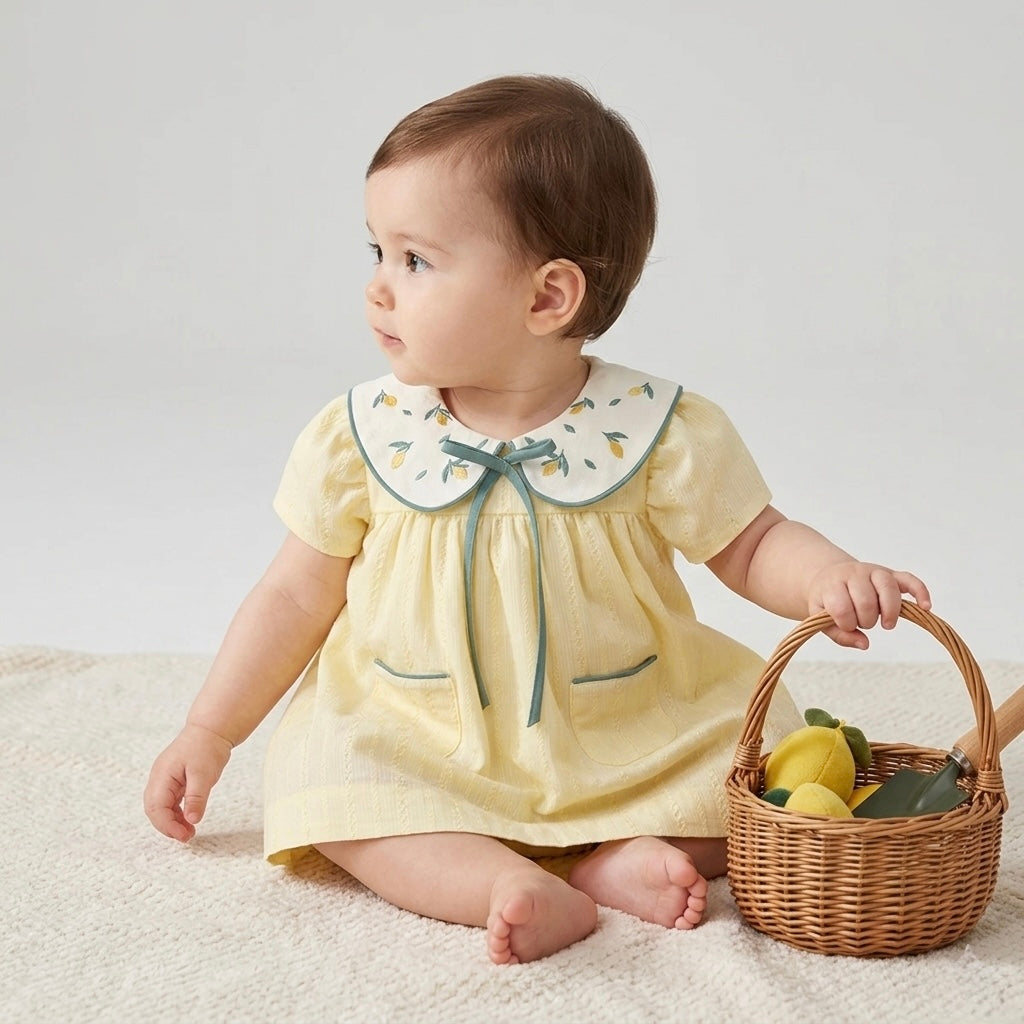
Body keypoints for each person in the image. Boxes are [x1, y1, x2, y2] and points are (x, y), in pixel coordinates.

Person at [144, 75, 931, 965]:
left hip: (621, 721)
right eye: (376, 250)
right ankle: (500, 884)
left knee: (753, 787)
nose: (376, 288)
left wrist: (828, 575)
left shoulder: (656, 431)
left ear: (549, 297)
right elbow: (292, 595)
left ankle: (611, 861)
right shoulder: (361, 436)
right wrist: (210, 730)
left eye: (415, 260)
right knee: (336, 796)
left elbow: (750, 543)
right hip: (419, 726)